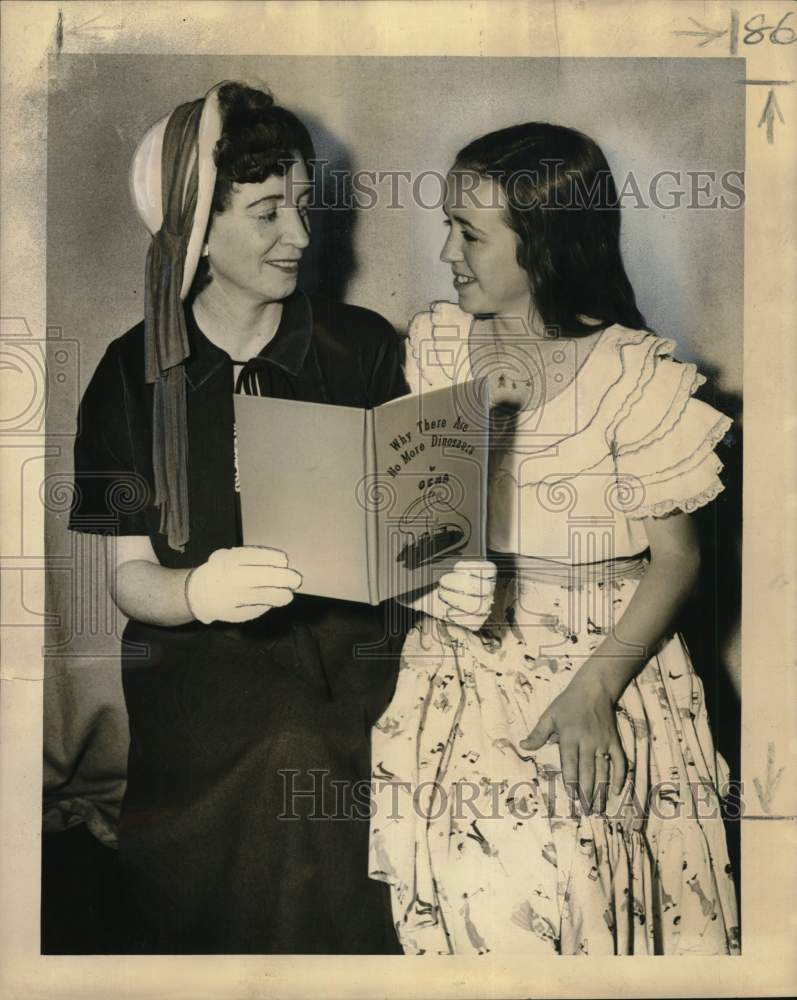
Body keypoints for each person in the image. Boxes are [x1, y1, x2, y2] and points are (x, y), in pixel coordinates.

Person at [368, 123, 741, 955]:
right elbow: (411, 527)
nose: (446, 251)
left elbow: (678, 559)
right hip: (461, 667)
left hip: (602, 662)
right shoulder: (432, 346)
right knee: (481, 905)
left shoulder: (632, 374)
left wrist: (593, 693)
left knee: (582, 889)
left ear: (543, 244)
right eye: (447, 225)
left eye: (469, 233)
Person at [69, 80, 412, 954]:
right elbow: (129, 580)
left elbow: (418, 528)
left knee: (355, 744)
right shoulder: (126, 375)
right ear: (196, 233)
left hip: (358, 650)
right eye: (267, 213)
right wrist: (196, 591)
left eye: (303, 207)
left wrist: (449, 555)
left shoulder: (366, 348)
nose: (299, 235)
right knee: (290, 748)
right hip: (200, 670)